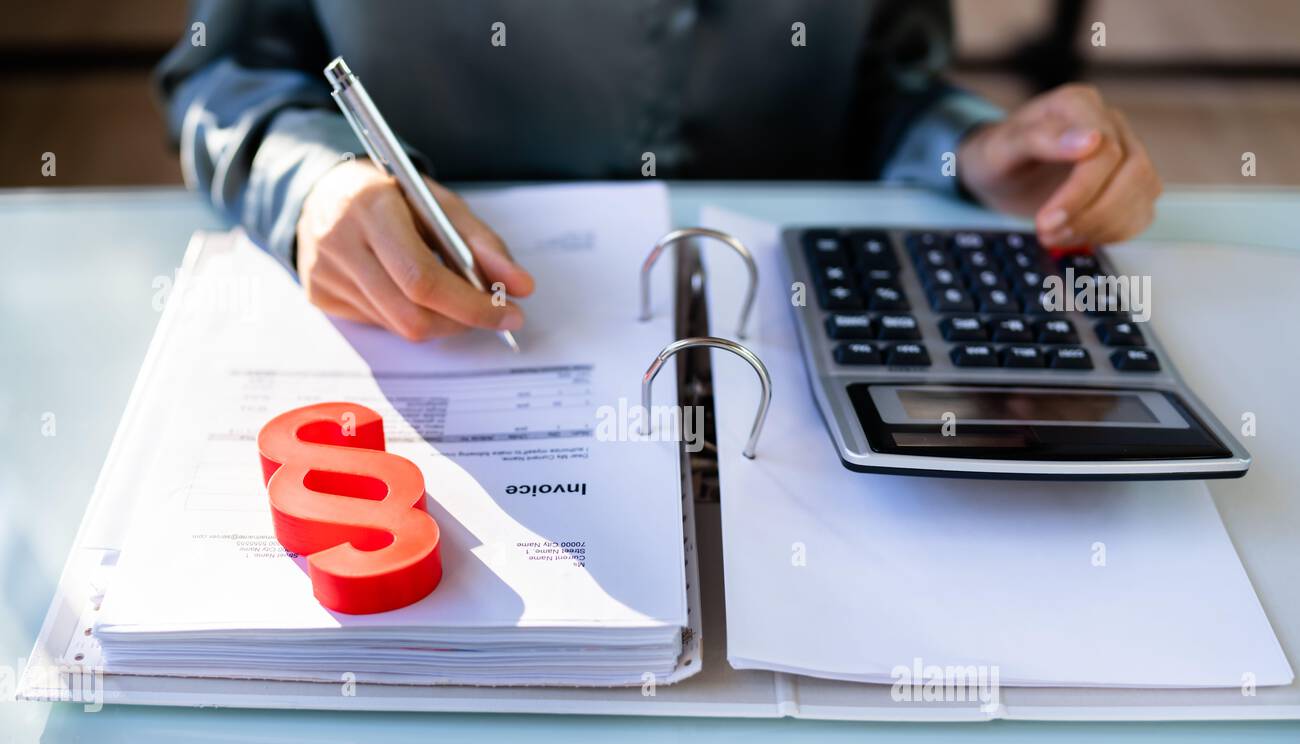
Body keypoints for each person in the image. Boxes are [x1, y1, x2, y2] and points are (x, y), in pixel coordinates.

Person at [157, 0, 1161, 343]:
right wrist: (313, 187)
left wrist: (967, 155)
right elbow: (226, 67)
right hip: (438, 327)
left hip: (776, 334)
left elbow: (880, 91)